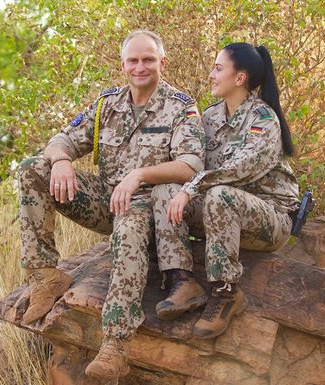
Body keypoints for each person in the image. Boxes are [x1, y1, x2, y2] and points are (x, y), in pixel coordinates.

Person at [17, 30, 205, 379]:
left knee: (130, 226)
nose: (140, 67)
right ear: (123, 65)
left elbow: (191, 164)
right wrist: (60, 160)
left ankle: (115, 346)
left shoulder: (180, 105)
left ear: (162, 63)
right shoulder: (107, 104)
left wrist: (140, 176)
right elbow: (61, 139)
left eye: (148, 59)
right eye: (133, 60)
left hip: (149, 208)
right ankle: (45, 276)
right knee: (32, 169)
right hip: (107, 200)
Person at [152, 43, 299, 339]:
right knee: (165, 189)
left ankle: (226, 292)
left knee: (220, 194)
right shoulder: (209, 118)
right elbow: (188, 157)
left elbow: (238, 171)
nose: (211, 75)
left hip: (269, 218)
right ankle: (183, 281)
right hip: (222, 214)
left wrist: (191, 189)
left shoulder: (262, 119)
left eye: (218, 69)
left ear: (240, 78)